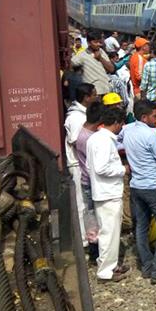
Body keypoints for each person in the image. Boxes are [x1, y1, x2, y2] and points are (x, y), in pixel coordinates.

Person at [121, 100, 156, 284]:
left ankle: (146, 266)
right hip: (153, 186)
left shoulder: (128, 130)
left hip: (137, 186)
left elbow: (117, 141)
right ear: (144, 117)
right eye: (154, 116)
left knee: (141, 227)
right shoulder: (150, 135)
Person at [86, 105, 130, 282]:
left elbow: (90, 166)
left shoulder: (94, 138)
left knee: (108, 232)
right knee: (109, 234)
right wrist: (123, 169)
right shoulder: (104, 141)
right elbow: (101, 168)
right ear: (117, 123)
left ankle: (110, 265)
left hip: (102, 191)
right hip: (108, 192)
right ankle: (105, 272)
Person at [65, 83, 97, 245]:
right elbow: (76, 141)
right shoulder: (76, 117)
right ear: (86, 97)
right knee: (81, 203)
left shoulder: (82, 113)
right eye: (94, 95)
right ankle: (83, 239)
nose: (97, 97)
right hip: (77, 164)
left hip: (83, 163)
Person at [76, 101, 104, 259]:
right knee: (96, 215)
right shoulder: (90, 139)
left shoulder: (82, 132)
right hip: (92, 182)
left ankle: (95, 248)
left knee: (91, 215)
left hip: (86, 179)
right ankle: (97, 250)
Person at [70, 30, 115, 95]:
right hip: (94, 93)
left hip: (106, 89)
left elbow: (111, 69)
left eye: (99, 42)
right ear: (88, 43)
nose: (98, 44)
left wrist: (100, 58)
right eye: (95, 42)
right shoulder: (82, 55)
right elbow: (71, 66)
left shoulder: (101, 52)